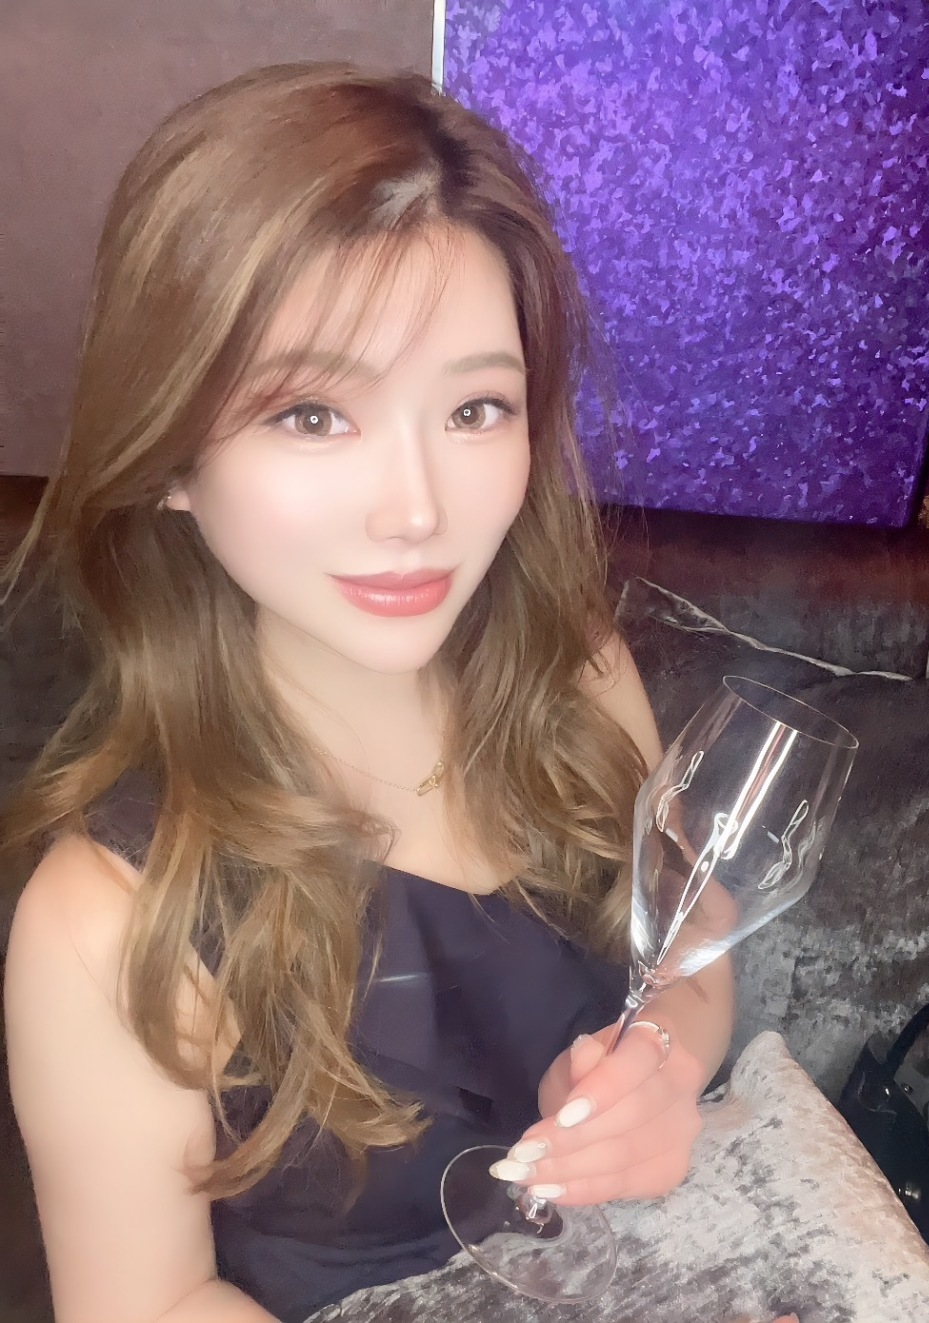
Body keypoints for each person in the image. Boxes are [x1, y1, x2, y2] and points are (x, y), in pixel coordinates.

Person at [2, 63, 739, 1323]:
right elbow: (149, 1303)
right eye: (311, 416)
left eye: (475, 408)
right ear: (171, 453)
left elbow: (690, 925)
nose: (415, 510)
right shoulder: (110, 920)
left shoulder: (575, 670)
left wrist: (663, 1063)